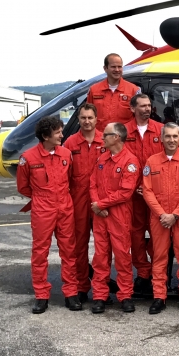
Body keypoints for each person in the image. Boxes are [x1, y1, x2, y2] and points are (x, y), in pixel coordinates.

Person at [16, 116, 80, 314]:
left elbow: (70, 180)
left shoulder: (67, 154)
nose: (62, 135)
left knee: (69, 251)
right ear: (45, 136)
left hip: (65, 207)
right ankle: (41, 295)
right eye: (58, 132)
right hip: (42, 208)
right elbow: (23, 186)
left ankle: (71, 292)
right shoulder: (28, 158)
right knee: (40, 253)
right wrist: (43, 197)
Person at [142, 123, 179, 314]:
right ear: (161, 138)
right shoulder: (152, 162)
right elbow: (147, 191)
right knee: (159, 257)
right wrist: (161, 214)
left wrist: (175, 214)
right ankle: (159, 296)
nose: (172, 140)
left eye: (175, 136)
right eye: (168, 137)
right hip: (159, 217)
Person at [89, 122, 140, 314]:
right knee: (100, 257)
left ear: (116, 137)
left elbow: (126, 192)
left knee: (122, 256)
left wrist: (101, 205)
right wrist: (97, 205)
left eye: (106, 135)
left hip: (119, 215)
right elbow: (92, 183)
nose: (102, 138)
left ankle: (125, 295)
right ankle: (100, 296)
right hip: (101, 215)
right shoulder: (102, 158)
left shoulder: (130, 161)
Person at [62, 103, 103, 302]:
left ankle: (101, 287)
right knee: (78, 246)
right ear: (78, 119)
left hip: (100, 202)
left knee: (103, 247)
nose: (87, 121)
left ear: (97, 119)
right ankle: (81, 286)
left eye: (90, 118)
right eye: (83, 118)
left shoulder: (107, 140)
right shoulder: (70, 143)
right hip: (77, 201)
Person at [124, 94, 164, 294]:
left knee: (158, 236)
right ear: (132, 108)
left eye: (149, 105)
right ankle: (142, 272)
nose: (147, 109)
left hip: (156, 194)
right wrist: (133, 187)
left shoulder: (160, 130)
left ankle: (157, 272)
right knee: (135, 235)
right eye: (142, 106)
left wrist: (151, 186)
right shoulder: (123, 131)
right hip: (132, 195)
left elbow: (167, 160)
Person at [86, 53, 141, 132]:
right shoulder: (94, 90)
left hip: (124, 140)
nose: (117, 70)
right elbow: (88, 115)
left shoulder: (133, 90)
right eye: (113, 67)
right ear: (105, 68)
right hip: (101, 139)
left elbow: (139, 119)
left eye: (119, 67)